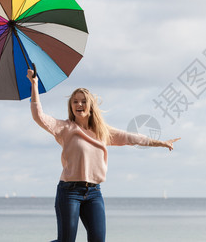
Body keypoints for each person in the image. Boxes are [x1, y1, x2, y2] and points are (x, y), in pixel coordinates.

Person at [27, 69, 180, 242]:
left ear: (91, 105)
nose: (79, 105)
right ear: (70, 106)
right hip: (69, 192)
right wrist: (34, 85)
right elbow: (38, 116)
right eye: (75, 102)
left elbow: (133, 138)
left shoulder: (102, 132)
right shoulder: (64, 128)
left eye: (83, 101)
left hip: (94, 192)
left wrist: (161, 143)